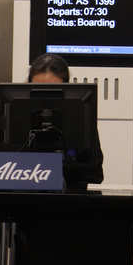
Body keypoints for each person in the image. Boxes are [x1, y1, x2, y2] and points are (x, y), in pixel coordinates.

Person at [28, 53, 104, 186]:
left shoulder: (82, 121)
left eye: (52, 91)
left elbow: (95, 174)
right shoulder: (17, 117)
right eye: (39, 90)